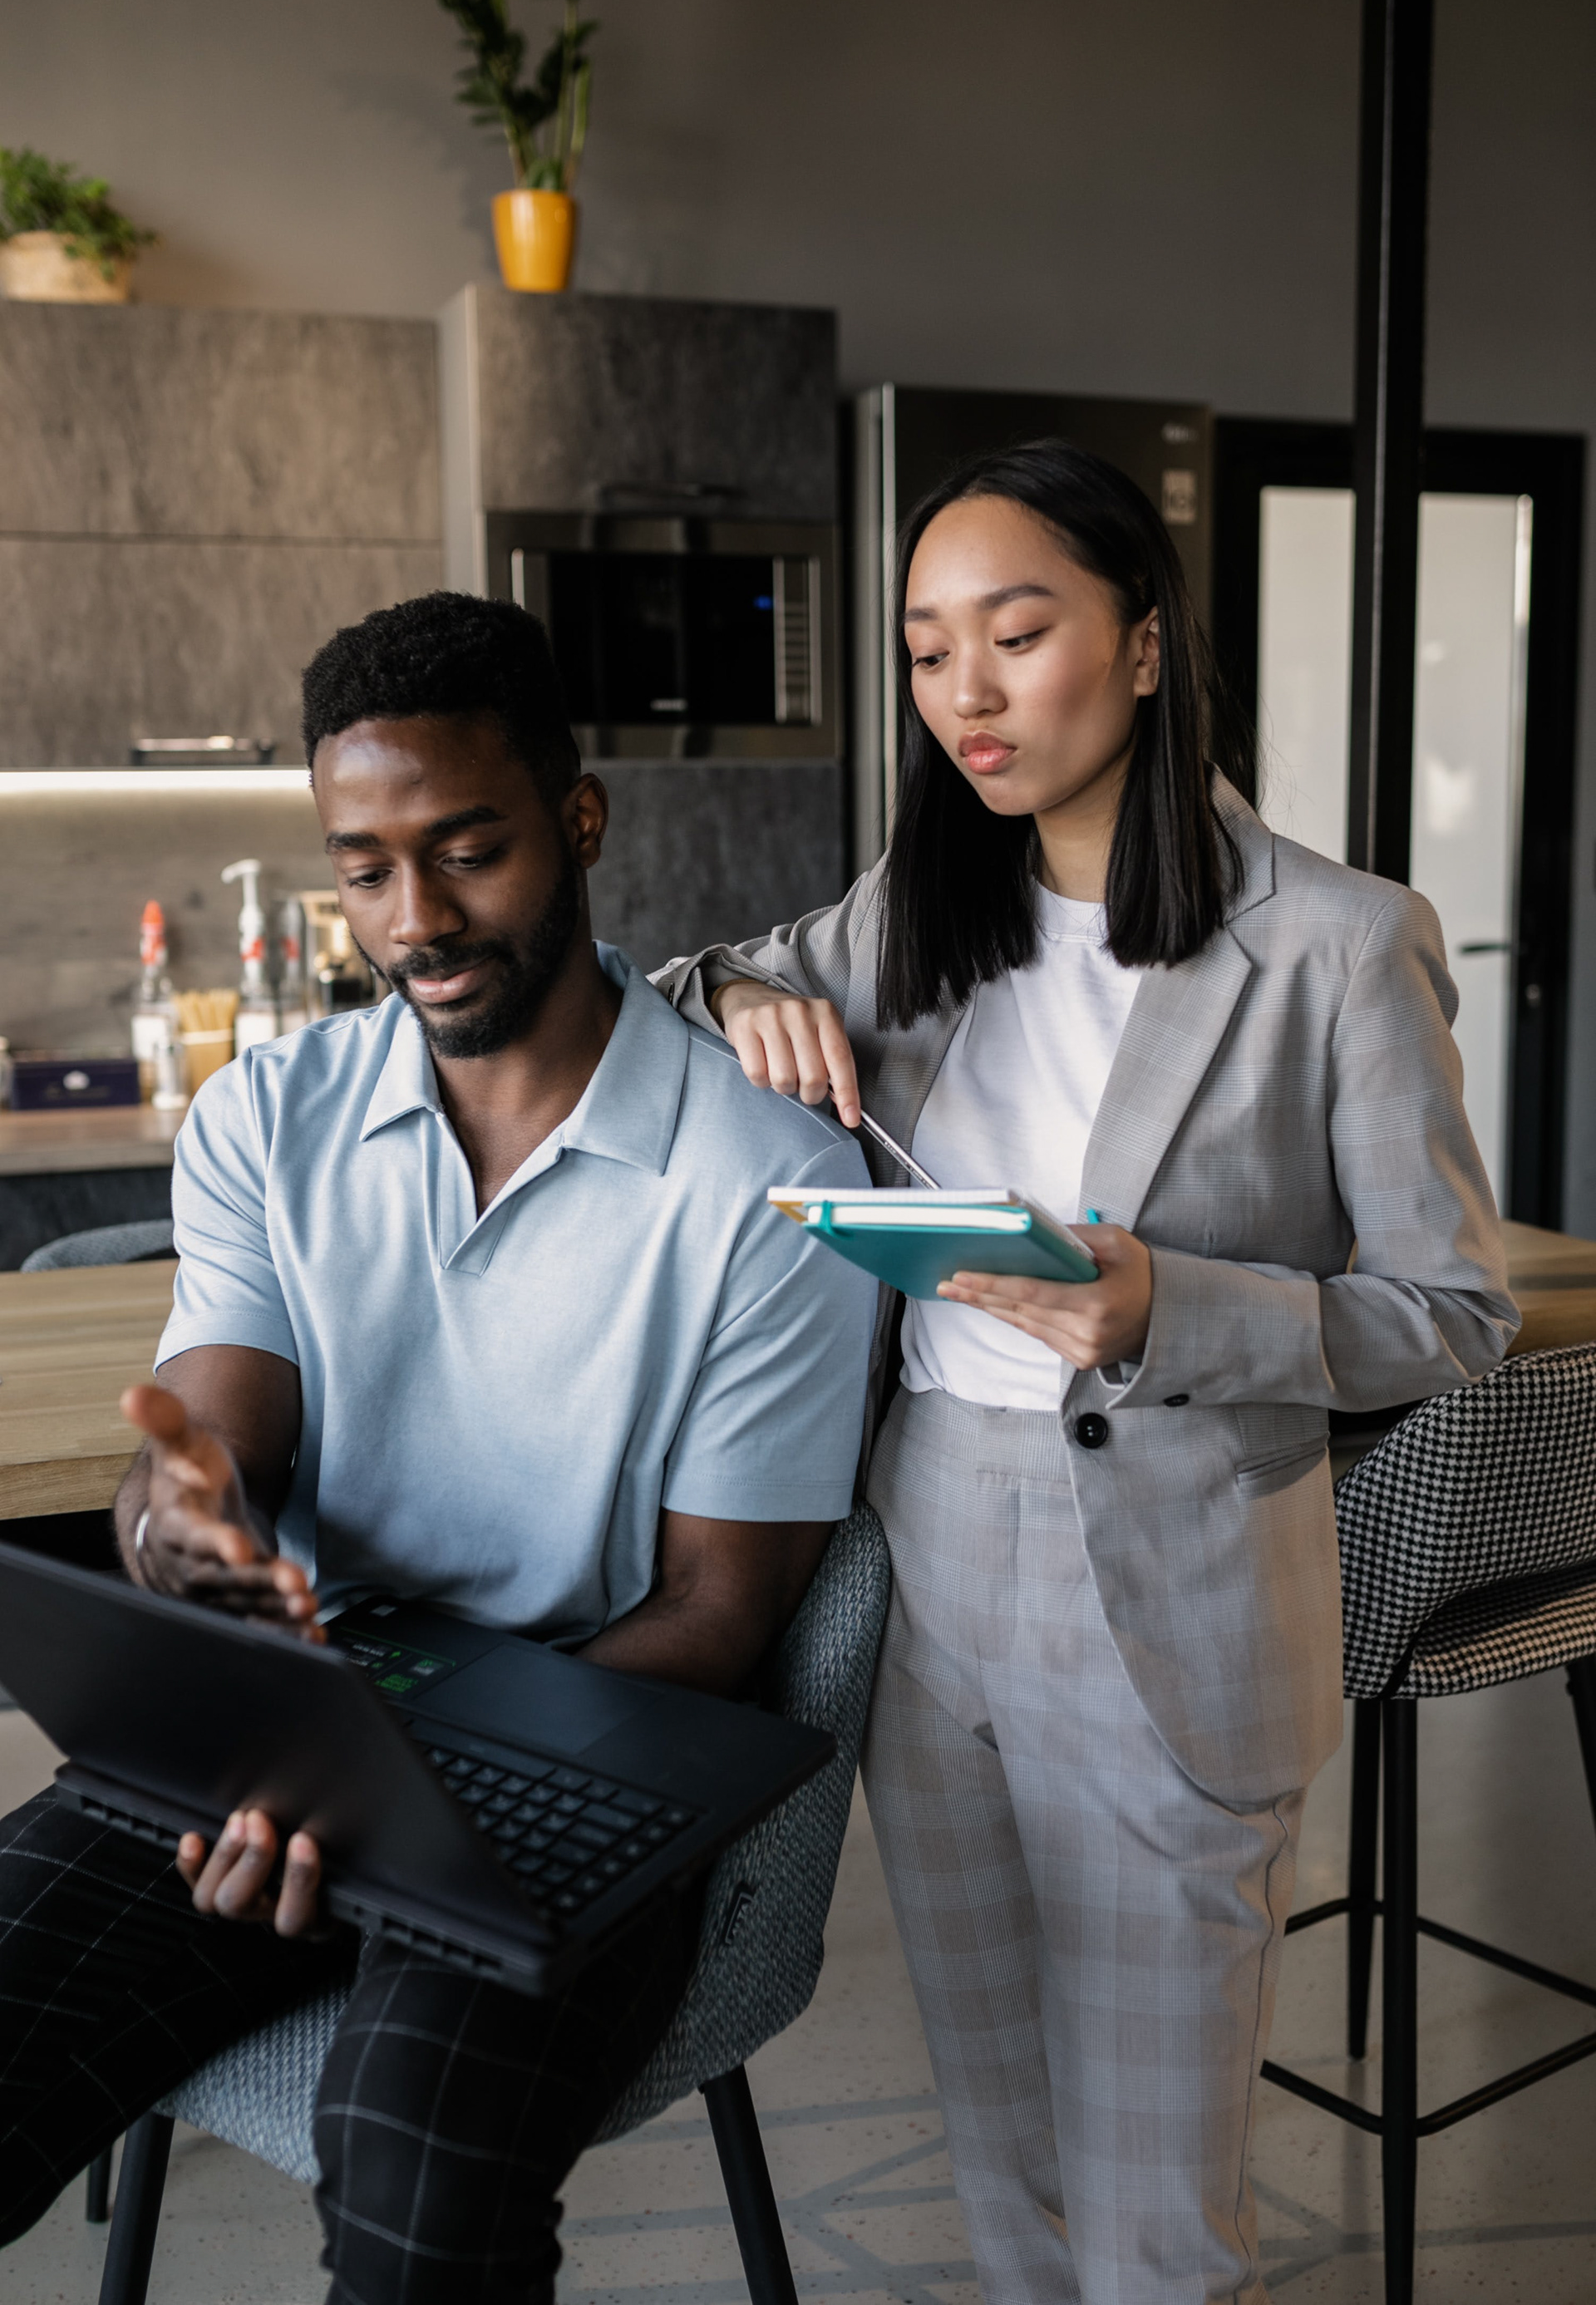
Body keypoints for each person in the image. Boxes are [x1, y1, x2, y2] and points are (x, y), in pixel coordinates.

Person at [654, 440, 1519, 2305]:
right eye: (924, 648)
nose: (967, 691)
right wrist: (742, 996)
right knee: (1007, 2161)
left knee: (1152, 2214)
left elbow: (1453, 1312)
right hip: (934, 1557)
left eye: (1016, 633)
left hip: (1179, 1578)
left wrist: (1168, 1311)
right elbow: (679, 987)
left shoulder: (1339, 945)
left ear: (1140, 644)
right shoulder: (916, 914)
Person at [0, 592, 875, 2305]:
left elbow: (718, 1611)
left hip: (600, 1754)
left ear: (579, 818)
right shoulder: (273, 1113)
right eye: (367, 866)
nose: (418, 919)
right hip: (298, 1726)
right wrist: (175, 1518)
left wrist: (385, 1779)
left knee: (414, 2182)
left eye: (466, 851)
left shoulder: (772, 1181)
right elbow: (222, 1436)